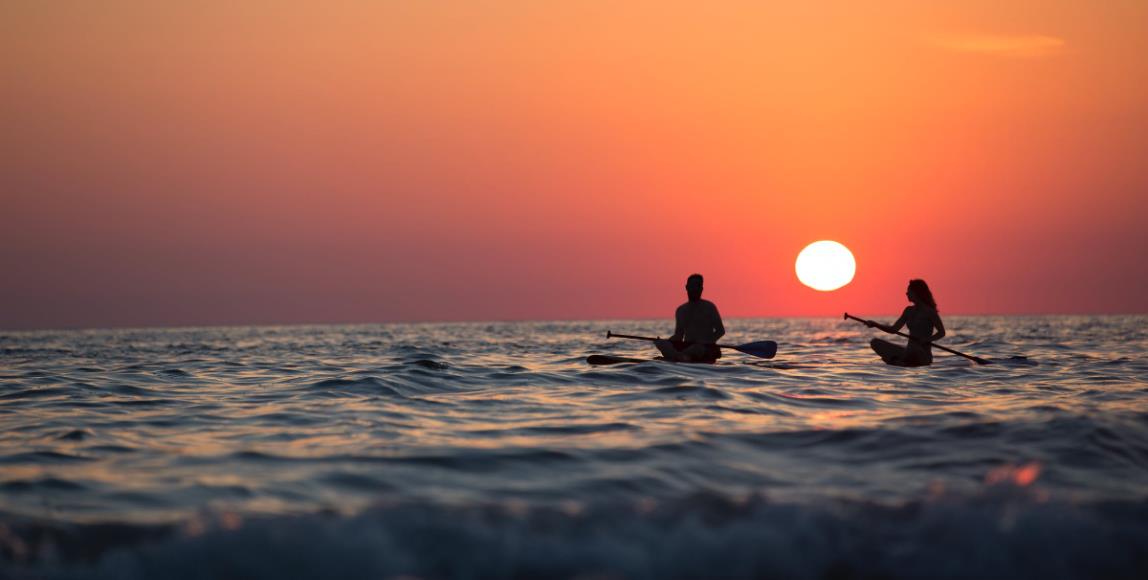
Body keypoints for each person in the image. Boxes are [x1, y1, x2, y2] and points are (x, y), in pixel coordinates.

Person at [867, 279, 946, 366]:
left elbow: (941, 333)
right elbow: (893, 329)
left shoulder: (929, 312)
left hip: (923, 355)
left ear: (917, 293)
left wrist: (926, 340)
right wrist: (875, 324)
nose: (907, 294)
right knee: (875, 342)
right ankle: (899, 360)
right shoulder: (908, 310)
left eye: (909, 291)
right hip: (908, 351)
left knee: (915, 349)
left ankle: (897, 361)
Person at [655, 274, 725, 362]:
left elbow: (720, 331)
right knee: (664, 345)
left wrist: (706, 341)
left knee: (696, 349)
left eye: (698, 286)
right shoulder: (681, 310)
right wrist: (665, 342)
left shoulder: (709, 307)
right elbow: (679, 335)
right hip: (687, 346)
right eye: (693, 285)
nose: (695, 289)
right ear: (687, 287)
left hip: (705, 348)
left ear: (701, 289)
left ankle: (677, 357)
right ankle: (679, 356)